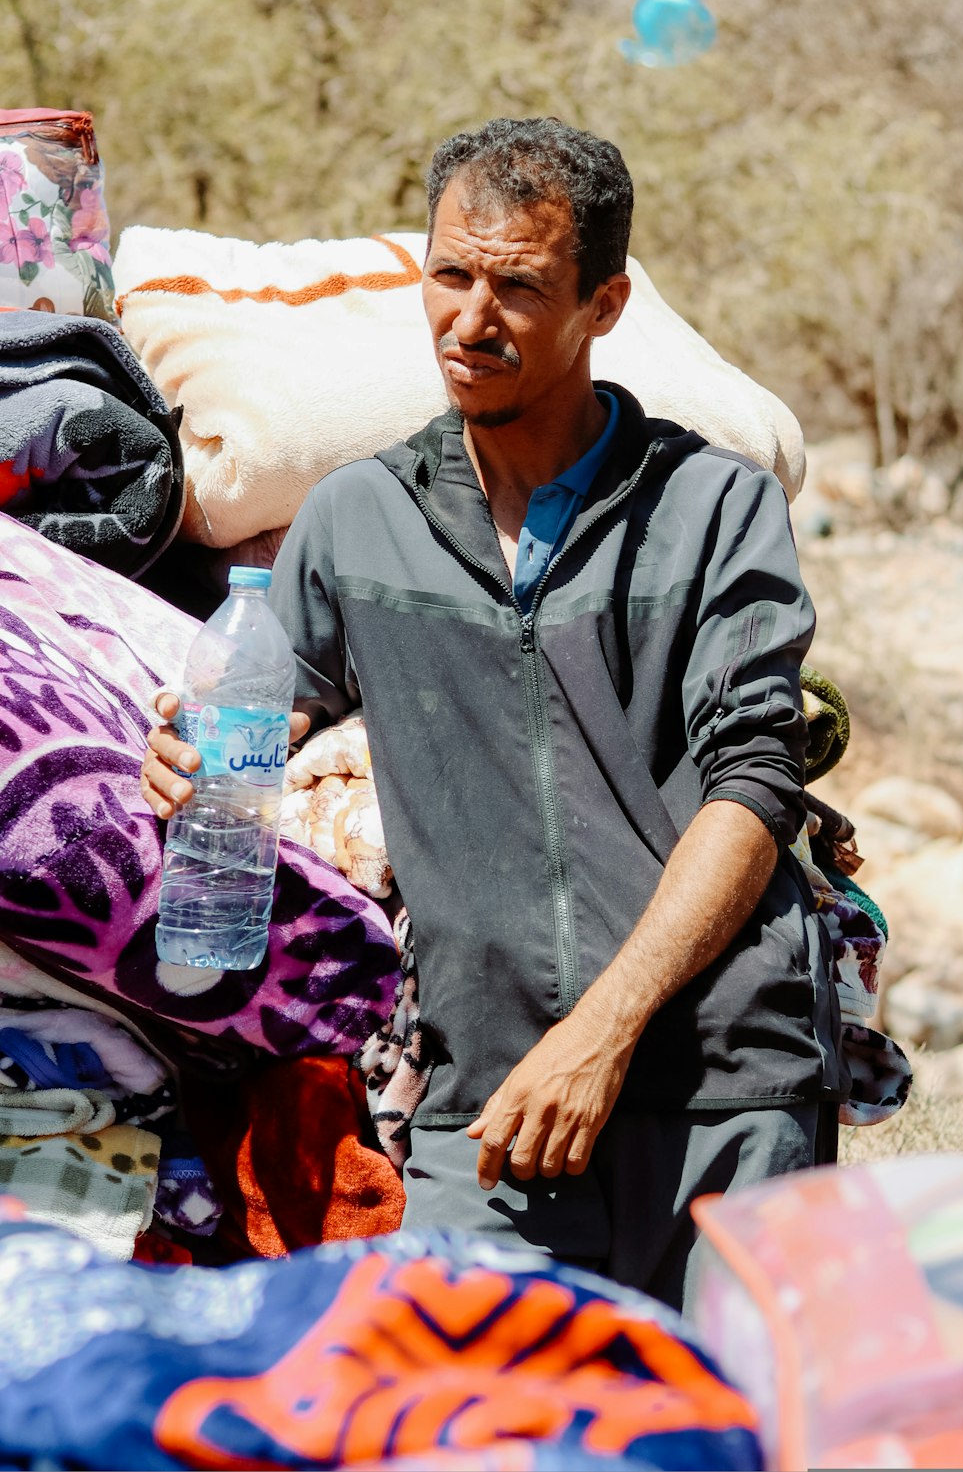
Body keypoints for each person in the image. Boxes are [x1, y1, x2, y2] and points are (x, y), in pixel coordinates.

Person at [141, 116, 840, 1311]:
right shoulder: (356, 519)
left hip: (723, 1084)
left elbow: (754, 782)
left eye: (518, 286)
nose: (472, 319)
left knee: (737, 1437)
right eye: (451, 274)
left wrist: (604, 1029)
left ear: (604, 305)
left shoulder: (713, 507)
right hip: (492, 1104)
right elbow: (277, 716)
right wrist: (193, 749)